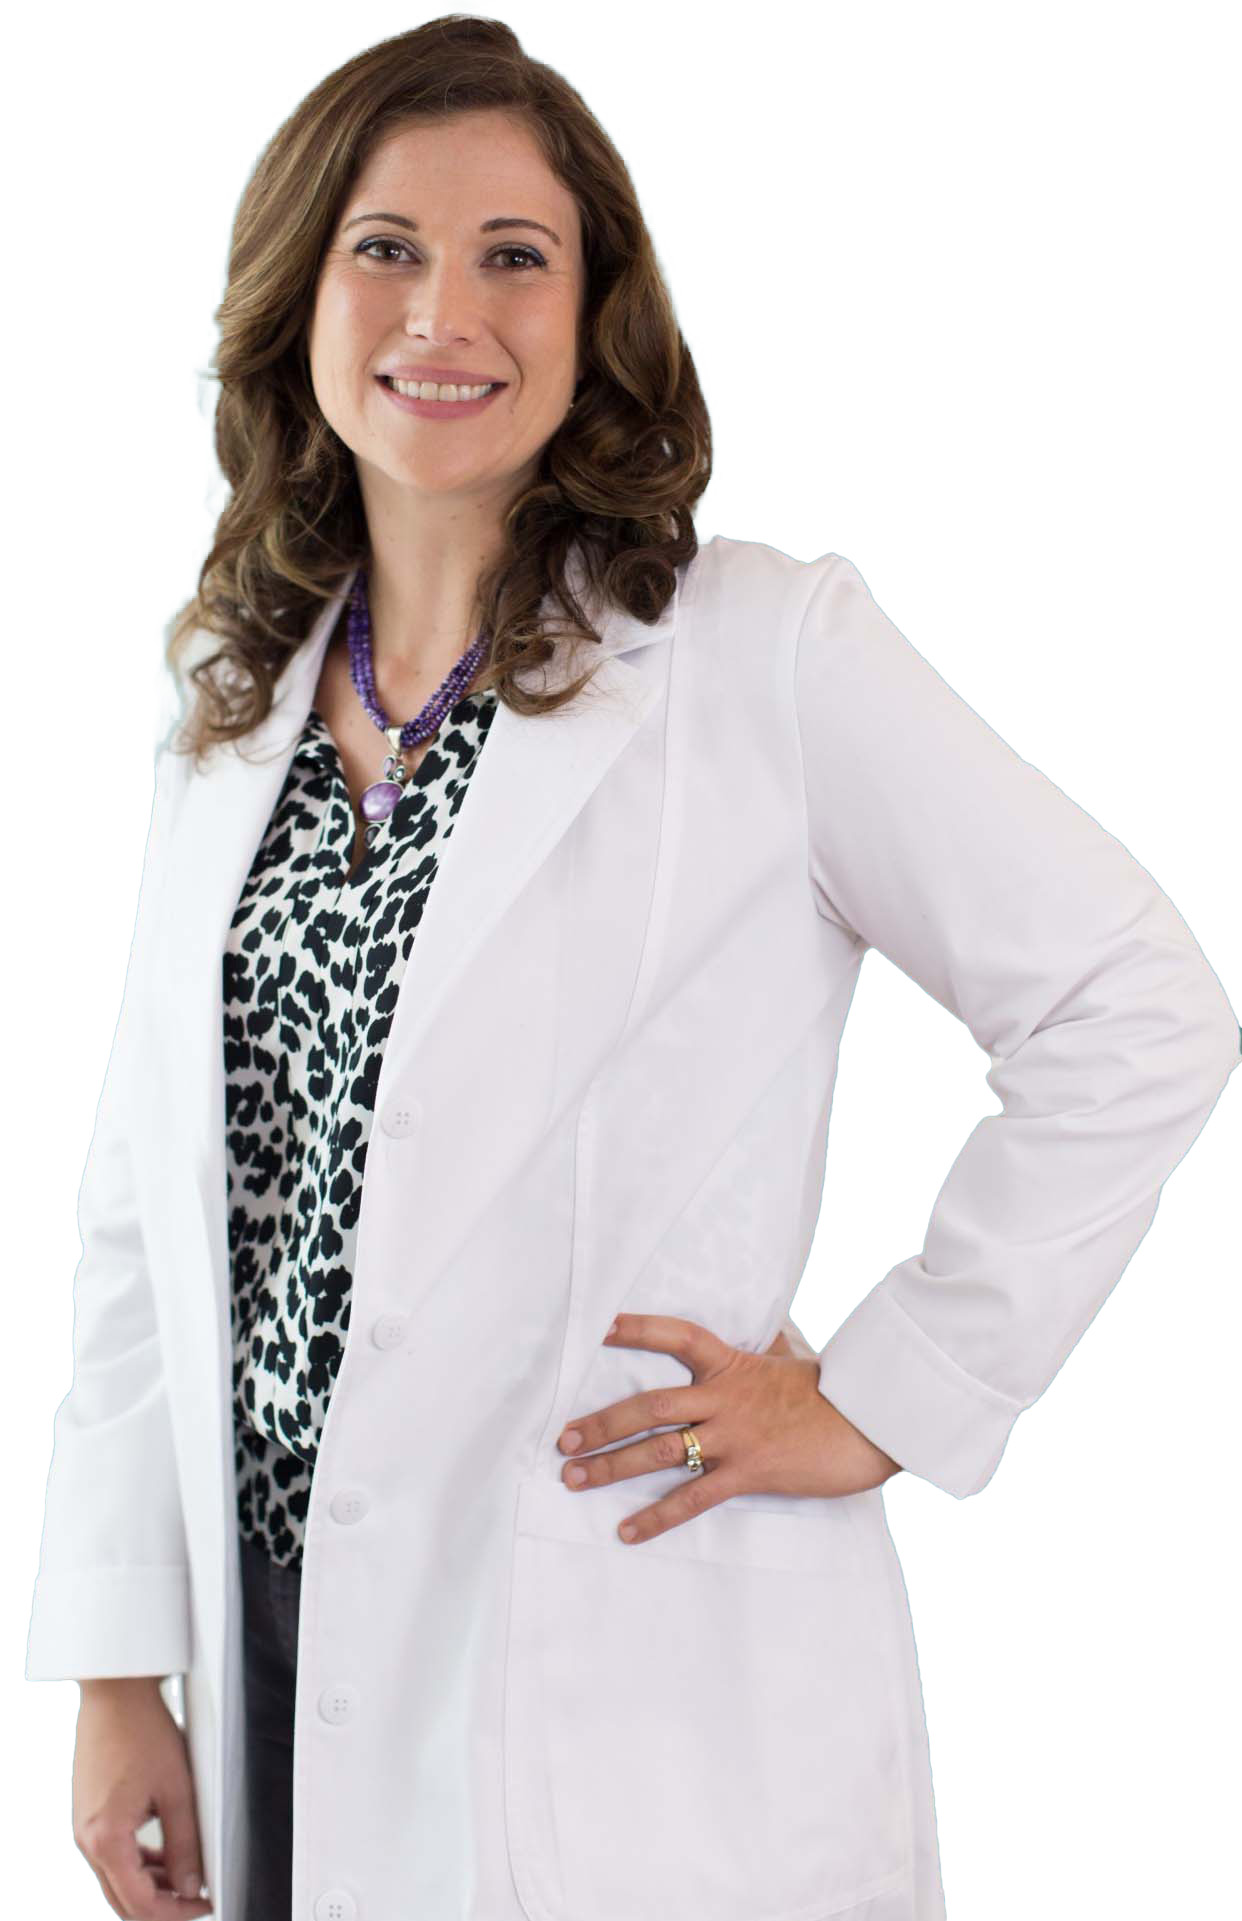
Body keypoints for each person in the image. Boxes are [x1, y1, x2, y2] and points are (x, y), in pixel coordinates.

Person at [25, 17, 1239, 1921]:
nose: (449, 308)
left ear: (596, 316)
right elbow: (141, 1206)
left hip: (615, 1663)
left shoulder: (755, 652)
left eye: (517, 254)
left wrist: (894, 1387)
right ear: (298, 297)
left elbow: (1131, 1000)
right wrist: (115, 1660)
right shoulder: (231, 701)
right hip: (271, 1645)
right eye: (386, 247)